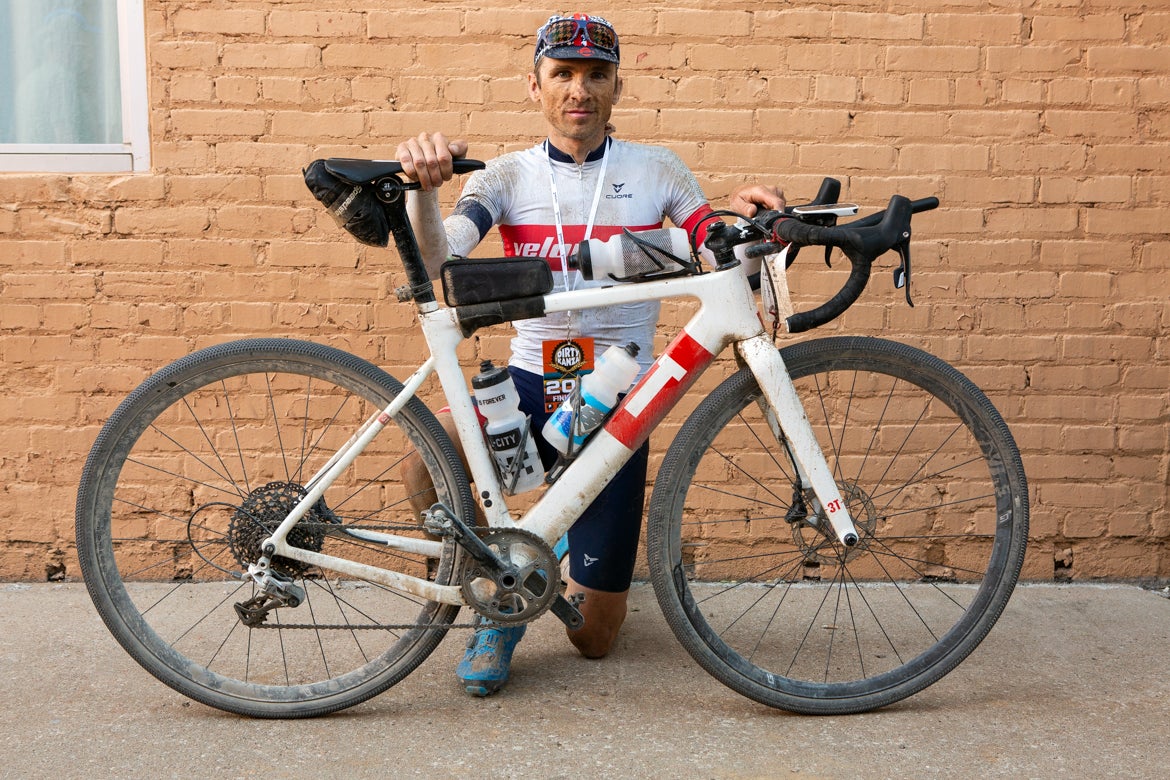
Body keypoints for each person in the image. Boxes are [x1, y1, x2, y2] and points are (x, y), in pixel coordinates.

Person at [397, 13, 785, 697]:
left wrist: (752, 222)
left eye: (596, 76)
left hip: (618, 399)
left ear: (616, 87)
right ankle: (498, 593)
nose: (579, 90)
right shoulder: (506, 175)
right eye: (563, 74)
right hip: (528, 379)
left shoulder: (656, 167)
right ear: (535, 85)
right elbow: (438, 256)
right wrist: (422, 195)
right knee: (422, 459)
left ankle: (560, 554)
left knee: (594, 639)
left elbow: (711, 241)